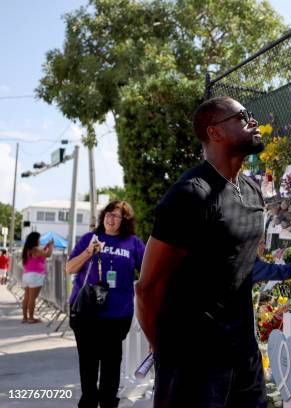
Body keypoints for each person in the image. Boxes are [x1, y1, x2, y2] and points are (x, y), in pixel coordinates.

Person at [136, 96, 273, 407]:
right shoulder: (190, 195)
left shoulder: (252, 191)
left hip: (243, 356)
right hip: (193, 362)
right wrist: (164, 347)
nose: (253, 121)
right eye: (242, 116)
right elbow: (147, 287)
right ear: (215, 133)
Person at [66, 200, 145, 408]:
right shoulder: (88, 239)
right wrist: (88, 252)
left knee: (111, 364)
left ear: (124, 220)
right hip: (86, 314)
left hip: (117, 314)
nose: (111, 218)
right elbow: (70, 269)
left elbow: (147, 271)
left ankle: (109, 403)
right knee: (88, 363)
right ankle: (89, 402)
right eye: (108, 214)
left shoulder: (133, 243)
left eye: (117, 215)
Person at [21, 232, 53, 323]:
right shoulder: (35, 249)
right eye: (39, 239)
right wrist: (51, 246)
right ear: (35, 240)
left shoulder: (28, 249)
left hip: (27, 275)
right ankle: (31, 318)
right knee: (32, 298)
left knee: (26, 297)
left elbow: (41, 254)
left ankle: (25, 318)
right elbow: (48, 254)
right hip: (35, 276)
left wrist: (46, 246)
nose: (39, 240)